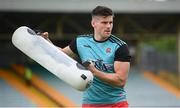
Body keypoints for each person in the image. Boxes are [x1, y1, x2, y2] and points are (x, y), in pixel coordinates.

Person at [41, 6, 131, 108]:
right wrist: (46, 42)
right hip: (90, 104)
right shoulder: (80, 42)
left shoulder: (120, 47)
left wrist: (94, 72)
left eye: (110, 22)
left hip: (116, 104)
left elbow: (120, 81)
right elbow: (60, 54)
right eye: (104, 22)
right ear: (93, 23)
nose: (108, 26)